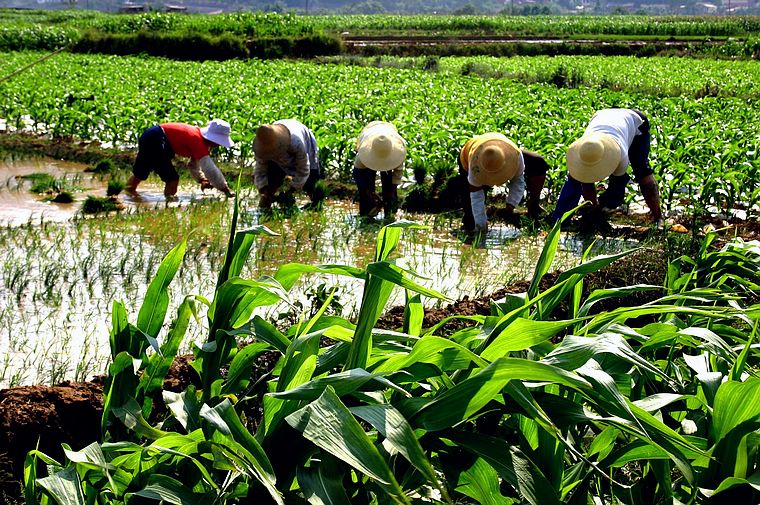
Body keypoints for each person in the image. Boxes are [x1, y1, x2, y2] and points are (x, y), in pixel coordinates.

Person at [551, 108, 662, 224]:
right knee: (576, 179)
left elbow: (616, 189)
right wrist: (592, 209)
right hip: (602, 116)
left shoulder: (620, 155)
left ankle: (658, 218)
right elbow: (585, 182)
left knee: (641, 170)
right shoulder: (584, 150)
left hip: (635, 119)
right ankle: (562, 219)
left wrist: (600, 207)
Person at [458, 132, 548, 232]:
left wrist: (510, 205)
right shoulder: (474, 166)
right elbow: (476, 195)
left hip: (499, 146)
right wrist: (481, 224)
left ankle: (533, 206)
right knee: (471, 221)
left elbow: (518, 182)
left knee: (538, 162)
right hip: (470, 152)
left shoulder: (516, 157)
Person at [126, 119, 234, 199]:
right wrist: (225, 189)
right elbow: (210, 169)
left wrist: (201, 180)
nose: (219, 145)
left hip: (150, 135)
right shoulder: (198, 141)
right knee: (172, 179)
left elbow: (193, 164)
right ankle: (169, 204)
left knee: (140, 173)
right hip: (158, 139)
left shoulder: (198, 138)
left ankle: (127, 194)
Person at [253, 119, 321, 209]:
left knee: (311, 182)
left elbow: (304, 169)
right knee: (271, 183)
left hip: (304, 141)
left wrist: (291, 190)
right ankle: (264, 209)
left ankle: (316, 205)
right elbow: (260, 170)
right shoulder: (262, 146)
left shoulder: (296, 143)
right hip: (282, 150)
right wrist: (264, 190)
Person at [353, 121, 407, 218]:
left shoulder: (398, 152)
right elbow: (358, 174)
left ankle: (390, 213)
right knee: (367, 185)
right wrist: (368, 192)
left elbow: (397, 174)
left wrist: (390, 192)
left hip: (388, 139)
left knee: (389, 186)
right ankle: (367, 214)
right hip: (370, 135)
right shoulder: (363, 154)